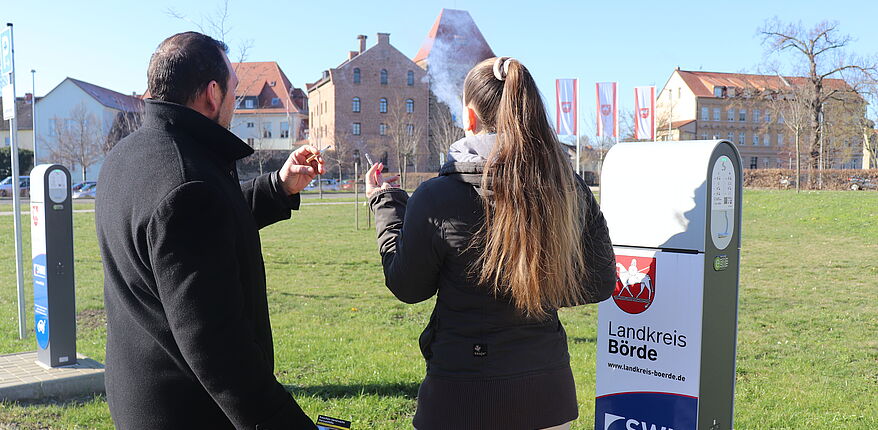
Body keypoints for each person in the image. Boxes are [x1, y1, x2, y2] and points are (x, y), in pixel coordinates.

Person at [365, 57, 617, 430]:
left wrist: (386, 204)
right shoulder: (568, 188)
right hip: (547, 397)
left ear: (469, 117)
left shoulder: (437, 197)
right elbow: (599, 280)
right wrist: (537, 284)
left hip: (461, 395)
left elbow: (407, 286)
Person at [96, 32, 322, 429]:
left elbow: (205, 225)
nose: (235, 101)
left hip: (139, 399)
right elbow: (220, 352)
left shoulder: (128, 156)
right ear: (212, 94)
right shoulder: (187, 183)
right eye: (235, 89)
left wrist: (278, 186)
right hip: (190, 412)